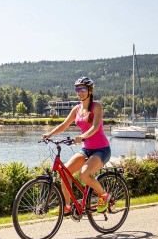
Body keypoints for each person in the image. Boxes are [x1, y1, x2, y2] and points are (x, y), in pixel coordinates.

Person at [42, 77, 112, 213]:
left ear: (90, 91)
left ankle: (104, 195)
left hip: (101, 150)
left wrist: (83, 136)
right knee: (65, 173)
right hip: (87, 150)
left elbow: (96, 127)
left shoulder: (96, 106)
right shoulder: (77, 109)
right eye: (77, 89)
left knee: (84, 174)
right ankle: (68, 206)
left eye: (83, 89)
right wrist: (49, 134)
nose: (80, 92)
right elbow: (64, 125)